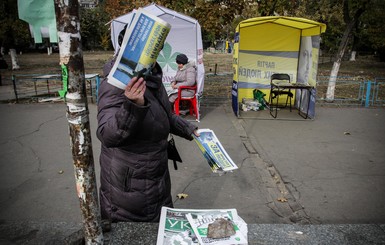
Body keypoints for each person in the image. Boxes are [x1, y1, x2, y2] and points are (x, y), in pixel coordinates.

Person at [96, 28, 199, 223]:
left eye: (156, 50)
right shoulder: (114, 83)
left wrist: (190, 129)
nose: (153, 56)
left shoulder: (152, 76)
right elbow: (107, 134)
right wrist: (132, 105)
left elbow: (165, 115)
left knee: (160, 231)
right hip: (128, 189)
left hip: (157, 179)